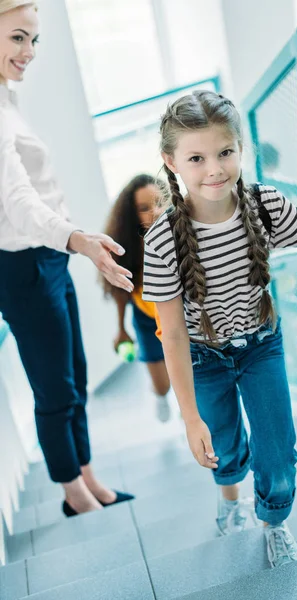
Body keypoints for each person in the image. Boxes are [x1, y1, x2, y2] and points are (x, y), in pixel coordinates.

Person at [142, 89, 297, 568]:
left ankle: (273, 522)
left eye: (225, 152)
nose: (214, 168)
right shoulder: (161, 239)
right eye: (196, 158)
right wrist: (189, 416)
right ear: (171, 162)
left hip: (262, 347)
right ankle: (228, 501)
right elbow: (172, 335)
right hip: (203, 358)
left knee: (278, 452)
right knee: (223, 447)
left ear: (241, 147)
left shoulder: (266, 206)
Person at [0, 1, 135, 517]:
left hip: (49, 260)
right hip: (27, 267)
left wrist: (68, 245)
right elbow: (17, 202)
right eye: (18, 38)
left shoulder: (8, 99)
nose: (29, 52)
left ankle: (88, 475)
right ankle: (73, 493)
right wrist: (78, 239)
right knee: (54, 385)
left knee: (73, 374)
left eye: (34, 40)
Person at [102, 174, 171, 422]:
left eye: (160, 202)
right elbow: (122, 294)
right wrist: (120, 329)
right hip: (147, 319)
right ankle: (160, 396)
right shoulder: (128, 248)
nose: (155, 211)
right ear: (132, 215)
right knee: (163, 386)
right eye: (144, 208)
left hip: (179, 316)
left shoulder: (179, 234)